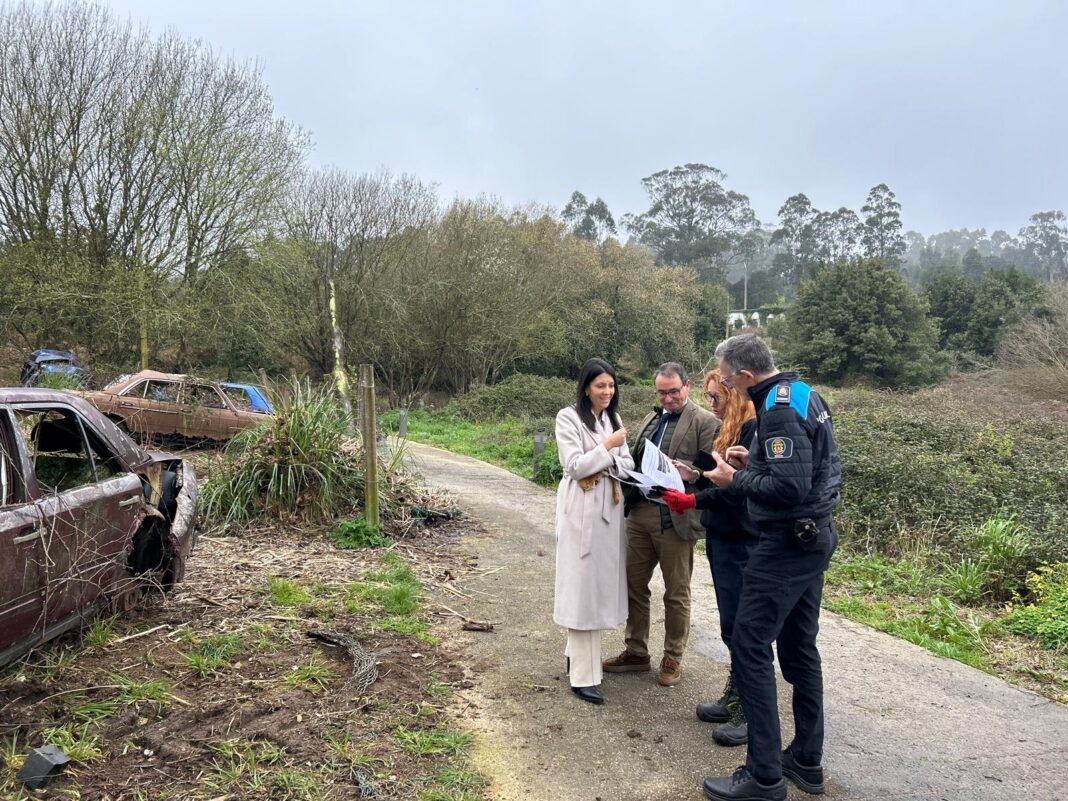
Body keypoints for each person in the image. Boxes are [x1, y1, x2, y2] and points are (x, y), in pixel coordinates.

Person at [699, 334, 841, 801]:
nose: (725, 386)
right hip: (813, 537)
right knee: (799, 650)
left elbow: (788, 490)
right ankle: (806, 760)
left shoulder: (776, 410)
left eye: (725, 379)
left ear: (745, 375)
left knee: (749, 645)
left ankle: (762, 775)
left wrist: (735, 478)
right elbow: (805, 470)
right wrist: (755, 460)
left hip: (785, 544)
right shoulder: (802, 394)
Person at [602, 362, 717, 687]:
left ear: (687, 386)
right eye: (662, 393)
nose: (667, 398)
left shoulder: (706, 422)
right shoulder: (652, 418)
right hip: (640, 512)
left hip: (675, 518)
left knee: (676, 592)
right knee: (633, 584)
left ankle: (672, 657)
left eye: (673, 391)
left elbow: (712, 475)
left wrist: (691, 473)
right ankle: (636, 651)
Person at [662, 370, 757, 746]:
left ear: (735, 394)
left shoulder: (751, 431)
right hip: (722, 534)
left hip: (741, 538)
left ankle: (750, 710)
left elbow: (737, 491)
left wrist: (693, 497)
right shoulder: (728, 429)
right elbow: (721, 481)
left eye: (716, 396)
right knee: (730, 625)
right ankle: (734, 696)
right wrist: (696, 477)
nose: (711, 403)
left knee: (744, 629)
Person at [553, 358, 634, 705]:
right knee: (581, 587)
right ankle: (583, 675)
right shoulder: (568, 417)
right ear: (586, 387)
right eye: (601, 385)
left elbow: (628, 465)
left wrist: (606, 456)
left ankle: (575, 655)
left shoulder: (613, 420)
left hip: (609, 510)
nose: (607, 391)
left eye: (611, 385)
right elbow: (574, 466)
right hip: (581, 510)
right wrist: (607, 448)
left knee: (598, 585)